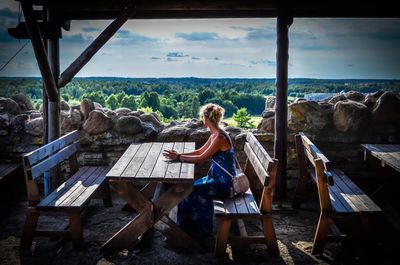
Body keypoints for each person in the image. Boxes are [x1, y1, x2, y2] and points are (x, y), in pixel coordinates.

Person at [163, 103, 236, 238]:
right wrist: (178, 155)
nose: (202, 119)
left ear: (206, 119)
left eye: (202, 117)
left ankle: (198, 232)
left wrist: (178, 157)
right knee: (186, 188)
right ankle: (187, 228)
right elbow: (199, 151)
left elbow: (200, 158)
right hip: (215, 179)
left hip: (223, 184)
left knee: (189, 191)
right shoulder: (216, 134)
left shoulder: (219, 138)